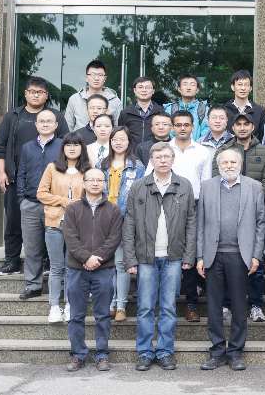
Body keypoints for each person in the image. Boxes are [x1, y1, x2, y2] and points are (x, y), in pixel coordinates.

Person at [123, 142, 197, 371]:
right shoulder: (139, 186)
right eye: (158, 157)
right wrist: (130, 258)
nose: (163, 160)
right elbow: (129, 223)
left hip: (173, 257)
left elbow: (191, 222)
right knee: (145, 307)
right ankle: (145, 352)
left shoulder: (184, 185)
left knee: (168, 307)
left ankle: (165, 351)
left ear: (173, 160)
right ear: (151, 161)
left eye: (167, 157)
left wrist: (189, 255)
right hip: (146, 257)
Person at [197, 149, 265, 371]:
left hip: (240, 255)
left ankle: (235, 352)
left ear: (240, 164)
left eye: (233, 162)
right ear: (218, 165)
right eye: (224, 162)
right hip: (213, 255)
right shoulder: (207, 186)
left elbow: (260, 224)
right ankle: (217, 351)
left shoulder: (254, 187)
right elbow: (200, 224)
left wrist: (256, 255)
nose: (229, 165)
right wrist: (199, 256)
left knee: (238, 305)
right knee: (214, 306)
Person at [0, 76, 68, 276]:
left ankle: (49, 262)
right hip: (16, 179)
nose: (36, 95)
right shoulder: (13, 116)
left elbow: (67, 146)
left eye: (40, 92)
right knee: (13, 222)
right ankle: (11, 261)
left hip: (52, 183)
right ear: (25, 94)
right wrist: (1, 172)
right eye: (32, 92)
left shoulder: (56, 116)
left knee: (51, 223)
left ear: (46, 95)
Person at [146, 111, 211, 322]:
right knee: (165, 253)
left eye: (186, 124)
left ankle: (191, 304)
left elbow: (206, 183)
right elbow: (148, 178)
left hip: (194, 205)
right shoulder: (162, 150)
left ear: (193, 127)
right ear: (173, 127)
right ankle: (161, 304)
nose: (182, 128)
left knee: (190, 252)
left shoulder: (203, 151)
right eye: (178, 125)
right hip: (163, 203)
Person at [211, 112, 265, 323]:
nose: (242, 127)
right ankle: (227, 304)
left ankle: (256, 305)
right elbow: (216, 178)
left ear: (253, 127)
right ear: (232, 128)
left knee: (254, 259)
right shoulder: (223, 151)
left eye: (246, 124)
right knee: (228, 262)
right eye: (238, 124)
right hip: (227, 211)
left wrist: (249, 199)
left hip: (255, 210)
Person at [62, 167, 123, 372]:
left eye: (99, 180)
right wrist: (86, 258)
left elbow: (114, 238)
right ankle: (77, 354)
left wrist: (97, 258)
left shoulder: (113, 210)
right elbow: (70, 238)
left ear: (104, 183)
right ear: (84, 183)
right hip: (76, 269)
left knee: (103, 315)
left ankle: (102, 354)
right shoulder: (72, 209)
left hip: (103, 269)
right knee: (76, 315)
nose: (96, 183)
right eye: (91, 180)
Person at [36, 132, 89, 323]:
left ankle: (69, 305)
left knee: (72, 267)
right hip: (54, 223)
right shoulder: (52, 168)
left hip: (78, 226)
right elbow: (41, 193)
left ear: (82, 148)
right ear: (63, 148)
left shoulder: (88, 169)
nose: (72, 148)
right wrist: (62, 201)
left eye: (76, 145)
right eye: (68, 145)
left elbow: (95, 193)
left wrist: (79, 203)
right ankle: (54, 307)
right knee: (56, 267)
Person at [100, 126, 146, 322]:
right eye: (115, 139)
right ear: (110, 142)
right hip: (104, 219)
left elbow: (140, 196)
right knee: (107, 264)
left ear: (129, 142)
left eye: (122, 139)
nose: (118, 142)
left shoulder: (137, 166)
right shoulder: (102, 164)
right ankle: (110, 303)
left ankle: (121, 306)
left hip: (126, 219)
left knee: (121, 263)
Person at [17, 109, 63, 300]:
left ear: (56, 125)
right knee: (32, 248)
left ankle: (60, 286)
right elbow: (21, 173)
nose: (45, 124)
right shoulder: (27, 147)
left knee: (58, 248)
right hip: (30, 204)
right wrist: (21, 199)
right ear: (36, 125)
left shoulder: (62, 146)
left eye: (49, 121)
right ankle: (33, 285)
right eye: (41, 121)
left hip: (55, 205)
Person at [64, 59, 122, 132]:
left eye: (100, 75)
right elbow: (67, 127)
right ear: (86, 78)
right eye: (93, 74)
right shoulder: (75, 99)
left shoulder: (115, 101)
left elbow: (118, 129)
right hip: (79, 139)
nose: (96, 78)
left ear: (105, 78)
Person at [223, 69, 265, 142]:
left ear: (250, 88)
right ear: (232, 87)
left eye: (246, 85)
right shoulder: (224, 110)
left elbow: (262, 136)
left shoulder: (260, 111)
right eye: (239, 84)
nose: (243, 88)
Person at [118, 76, 163, 145]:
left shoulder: (161, 112)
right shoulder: (125, 113)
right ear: (135, 90)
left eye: (147, 87)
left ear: (153, 91)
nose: (144, 90)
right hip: (132, 151)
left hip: (155, 150)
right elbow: (120, 135)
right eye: (140, 87)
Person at [164, 73, 210, 141]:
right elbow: (166, 130)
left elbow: (207, 131)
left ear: (197, 90)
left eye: (192, 85)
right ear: (179, 89)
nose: (188, 88)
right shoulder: (170, 109)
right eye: (185, 84)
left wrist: (195, 145)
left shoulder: (204, 109)